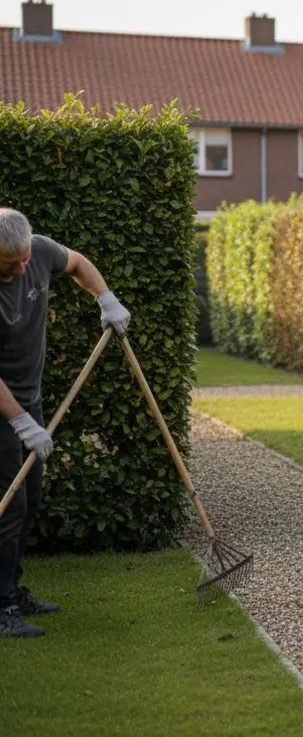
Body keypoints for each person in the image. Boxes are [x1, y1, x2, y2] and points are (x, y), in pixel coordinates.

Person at [0, 207, 131, 639]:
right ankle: (1, 608)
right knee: (8, 508)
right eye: (9, 264)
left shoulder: (36, 251)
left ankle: (12, 591)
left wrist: (105, 299)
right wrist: (20, 422)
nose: (22, 268)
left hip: (29, 403)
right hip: (5, 411)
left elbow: (76, 262)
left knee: (30, 499)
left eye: (23, 259)